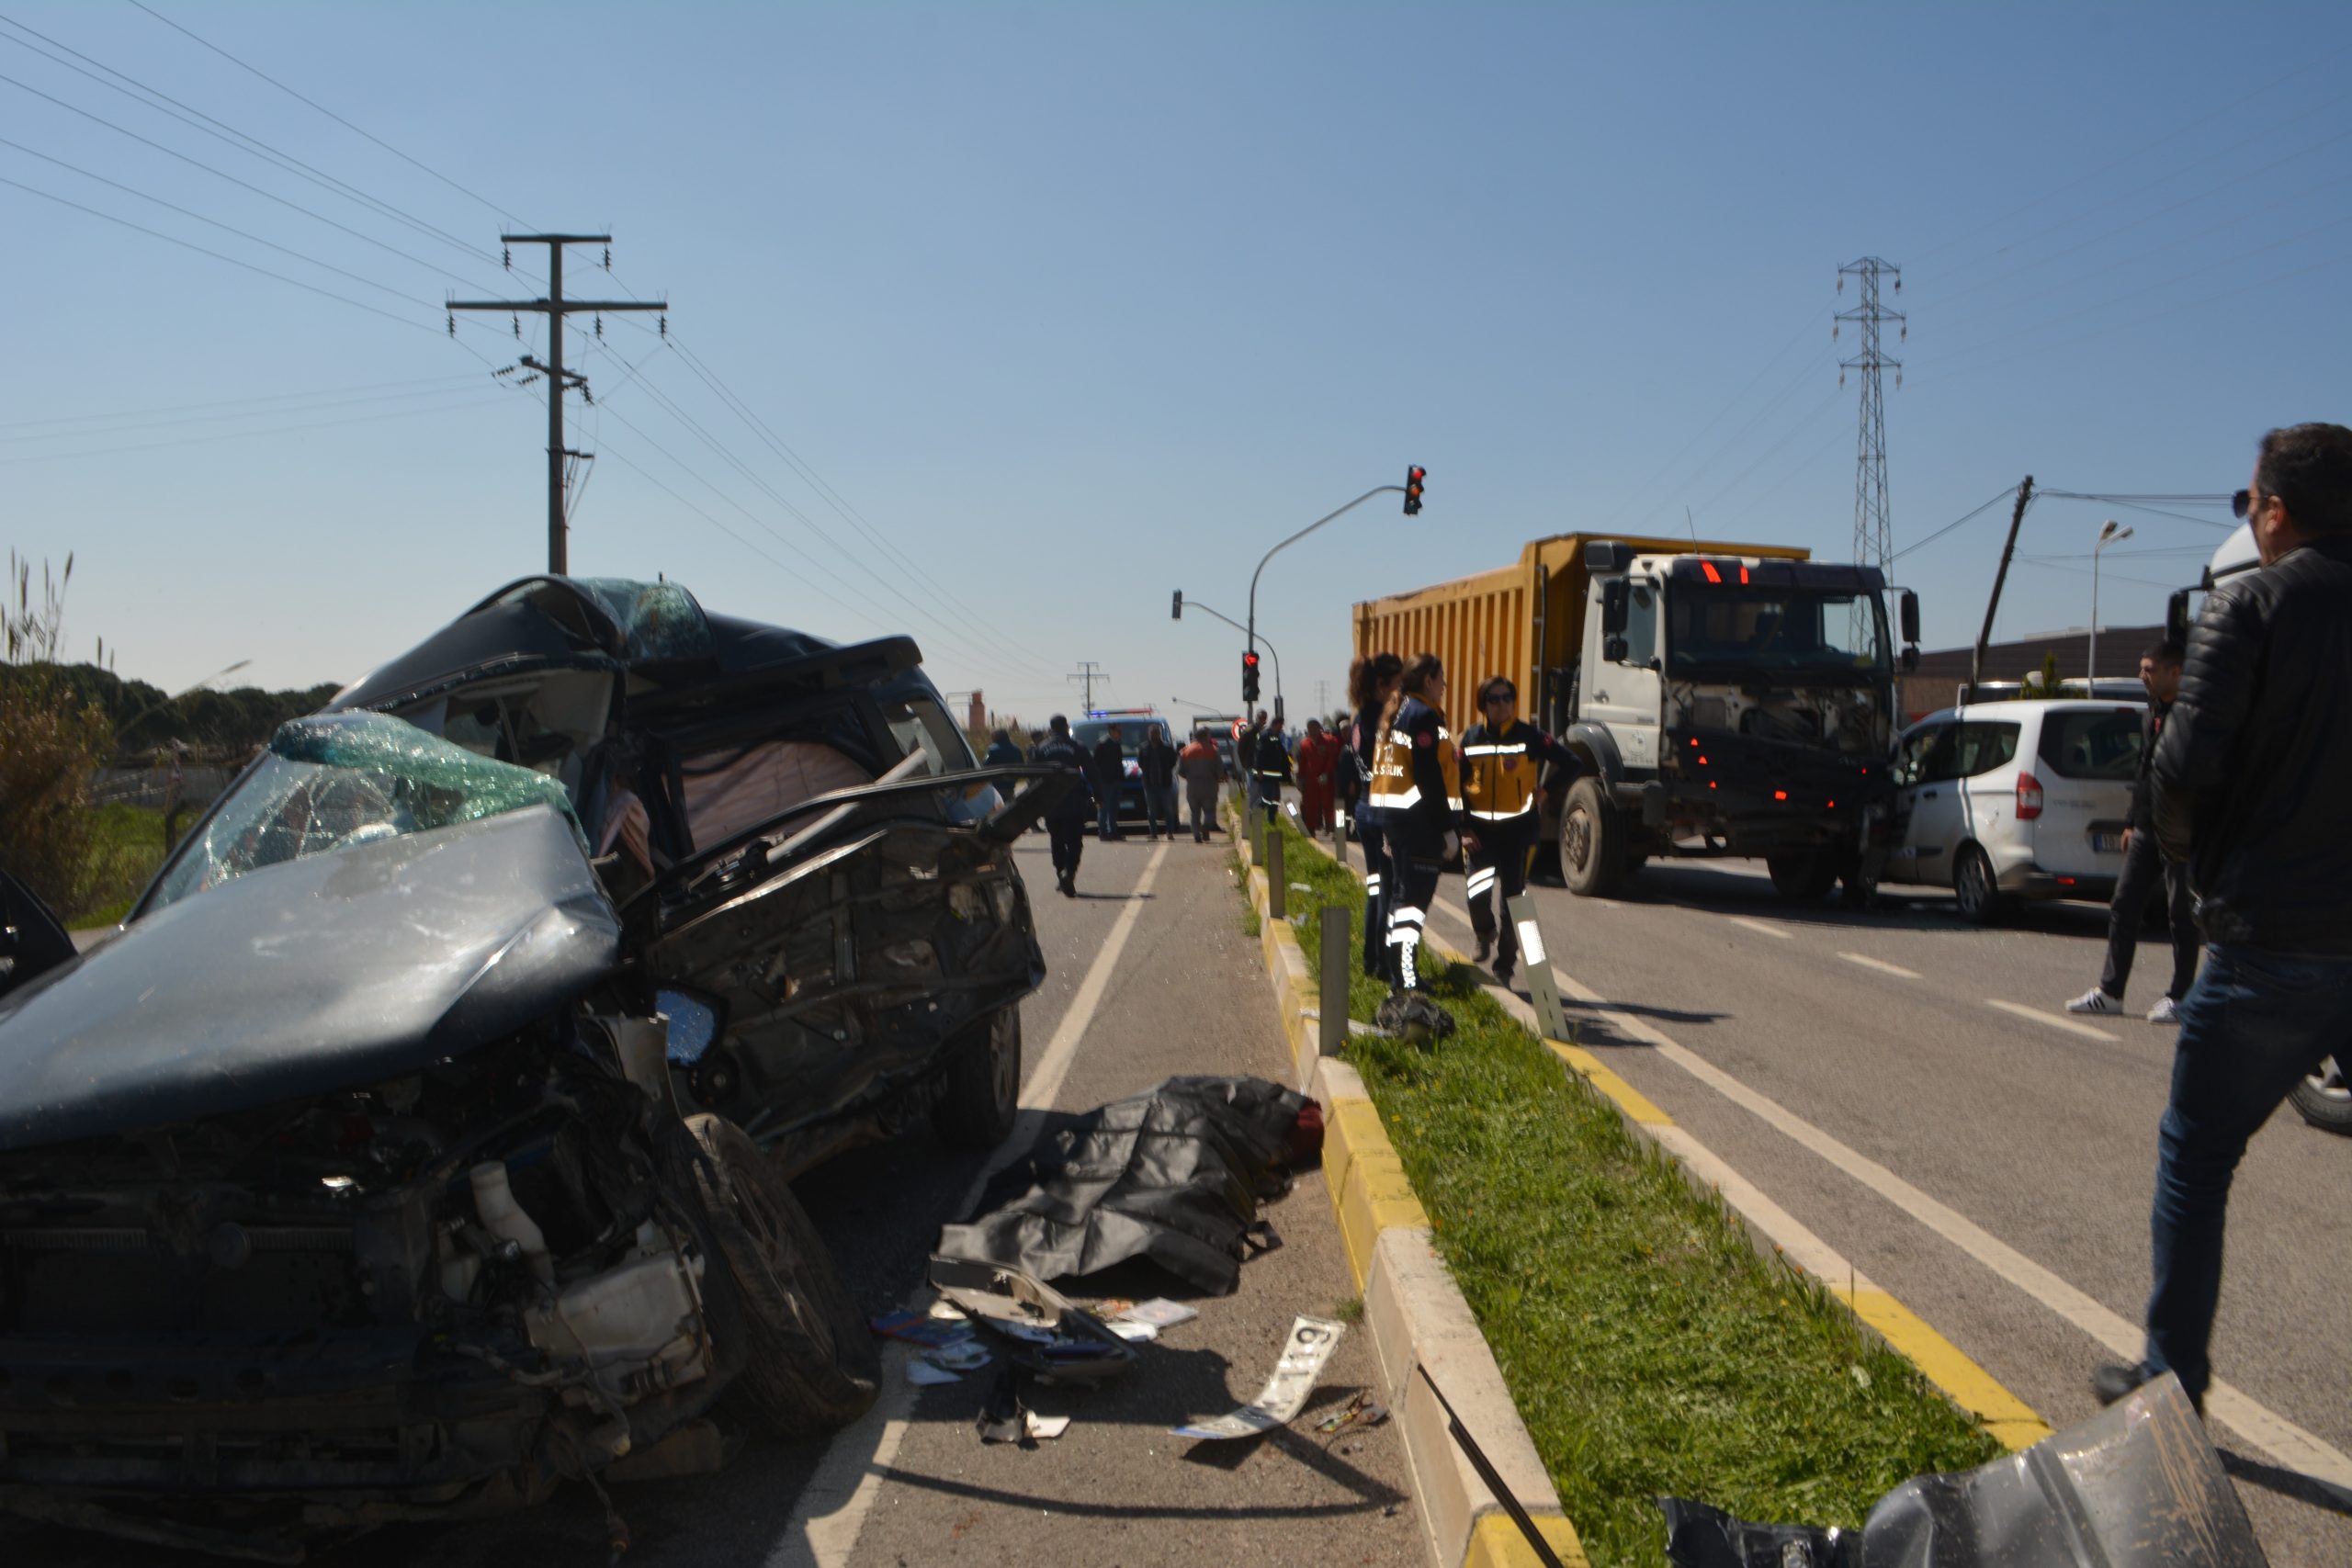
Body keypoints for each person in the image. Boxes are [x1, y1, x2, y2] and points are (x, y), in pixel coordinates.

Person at [2091, 423, 2352, 1419]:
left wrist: (2197, 880)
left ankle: (2171, 1380)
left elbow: (2183, 770)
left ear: (2274, 514)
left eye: (2250, 504)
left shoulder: (2254, 607)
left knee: (2197, 1155)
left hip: (2272, 938)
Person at [2065, 641, 2199, 1023]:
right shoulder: (2151, 714)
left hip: (2181, 834)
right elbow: (2142, 773)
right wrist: (2130, 822)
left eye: (2149, 670)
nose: (2142, 676)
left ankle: (2181, 997)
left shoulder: (2192, 717)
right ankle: (2110, 992)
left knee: (2181, 915)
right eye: (2141, 669)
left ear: (2175, 673)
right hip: (2146, 829)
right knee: (2123, 904)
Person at [1457, 676, 1577, 989]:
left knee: (1514, 903)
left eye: (1507, 697)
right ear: (1483, 704)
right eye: (1494, 699)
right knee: (1476, 896)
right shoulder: (1470, 738)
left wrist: (1546, 791)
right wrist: (1464, 828)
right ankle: (1484, 933)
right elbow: (1453, 786)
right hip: (1480, 834)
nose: (1502, 704)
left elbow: (1572, 762)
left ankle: (1505, 966)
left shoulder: (1530, 736)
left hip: (1520, 834)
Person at [1366, 653, 1464, 993]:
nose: (1444, 686)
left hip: (1395, 819)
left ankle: (1399, 974)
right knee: (1413, 905)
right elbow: (1428, 777)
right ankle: (1406, 977)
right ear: (1428, 681)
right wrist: (1447, 829)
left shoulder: (1397, 712)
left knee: (1400, 899)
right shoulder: (1422, 716)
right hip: (1419, 823)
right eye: (1441, 679)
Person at [1349, 653, 1404, 980]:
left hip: (1365, 806)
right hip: (1382, 809)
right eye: (1399, 684)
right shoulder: (1381, 718)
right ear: (1382, 685)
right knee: (1388, 889)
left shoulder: (1359, 718)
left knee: (1375, 888)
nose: (1403, 692)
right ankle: (1385, 962)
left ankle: (1371, 958)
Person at [1034, 715, 1095, 897]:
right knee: (1075, 841)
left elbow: (1033, 777)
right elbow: (1092, 772)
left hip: (1051, 803)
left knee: (1057, 840)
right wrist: (1099, 795)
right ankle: (1068, 872)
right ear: (1065, 726)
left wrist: (1036, 803)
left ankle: (1061, 873)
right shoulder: (1077, 747)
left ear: (1051, 728)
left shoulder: (1040, 748)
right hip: (1074, 802)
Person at [1295, 718, 1340, 834]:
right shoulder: (1305, 744)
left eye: (1314, 729)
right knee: (1310, 804)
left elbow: (1332, 759)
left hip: (1327, 779)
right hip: (1311, 780)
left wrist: (1326, 773)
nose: (1311, 732)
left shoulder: (1329, 741)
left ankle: (1332, 827)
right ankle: (1310, 829)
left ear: (1319, 728)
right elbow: (1302, 763)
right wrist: (1299, 779)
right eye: (1309, 729)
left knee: (1329, 804)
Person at [1179, 727, 1224, 842]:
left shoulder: (1186, 751)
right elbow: (1220, 770)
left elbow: (1180, 771)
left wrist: (1190, 778)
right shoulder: (1213, 750)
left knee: (1194, 813)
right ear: (1206, 736)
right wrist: (1218, 778)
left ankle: (1196, 835)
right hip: (1209, 786)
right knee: (1209, 811)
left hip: (1192, 787)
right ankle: (1206, 827)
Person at [1136, 724, 1179, 840]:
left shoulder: (1167, 747)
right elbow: (1140, 763)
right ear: (1148, 734)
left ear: (1159, 734)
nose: (1153, 735)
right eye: (1151, 733)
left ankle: (1169, 832)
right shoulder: (1143, 747)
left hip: (1165, 784)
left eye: (1155, 733)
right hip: (1149, 785)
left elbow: (1173, 762)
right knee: (1151, 811)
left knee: (1168, 810)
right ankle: (1153, 833)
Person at [1248, 710, 1292, 811]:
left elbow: (1282, 755)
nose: (1281, 728)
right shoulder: (1264, 736)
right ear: (1275, 725)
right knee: (1267, 799)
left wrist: (1287, 775)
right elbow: (1259, 754)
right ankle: (1253, 813)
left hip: (1274, 775)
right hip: (1266, 775)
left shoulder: (1275, 737)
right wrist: (1259, 770)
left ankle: (1271, 821)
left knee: (1275, 799)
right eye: (1280, 726)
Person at [1091, 723, 1125, 840]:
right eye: (1118, 731)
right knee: (1103, 808)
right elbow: (1095, 763)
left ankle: (1113, 832)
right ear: (1111, 731)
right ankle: (1103, 833)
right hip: (1105, 782)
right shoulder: (1102, 743)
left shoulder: (1117, 743)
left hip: (1116, 781)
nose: (1120, 733)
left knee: (1114, 809)